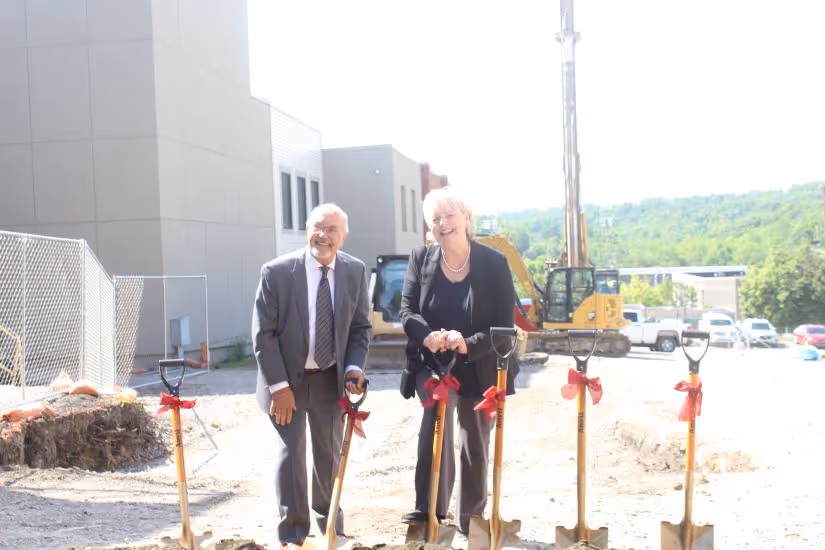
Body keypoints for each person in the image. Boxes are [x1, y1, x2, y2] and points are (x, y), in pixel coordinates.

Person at [399, 186, 519, 535]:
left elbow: (504, 327)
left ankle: (471, 520)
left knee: (474, 442)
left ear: (466, 219)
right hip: (434, 363)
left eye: (449, 215)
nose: (443, 223)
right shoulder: (421, 259)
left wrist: (466, 344)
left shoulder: (494, 263)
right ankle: (429, 511)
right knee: (433, 431)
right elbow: (407, 311)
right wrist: (428, 335)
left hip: (480, 363)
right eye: (435, 218)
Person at [252, 203, 370, 549]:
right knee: (291, 452)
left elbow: (361, 328)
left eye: (333, 230)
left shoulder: (355, 271)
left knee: (327, 454)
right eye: (319, 227)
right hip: (285, 380)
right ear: (307, 230)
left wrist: (353, 367)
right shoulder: (276, 272)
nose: (325, 235)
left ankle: (330, 524)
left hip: (329, 378)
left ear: (343, 237)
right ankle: (292, 533)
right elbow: (263, 335)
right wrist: (279, 388)